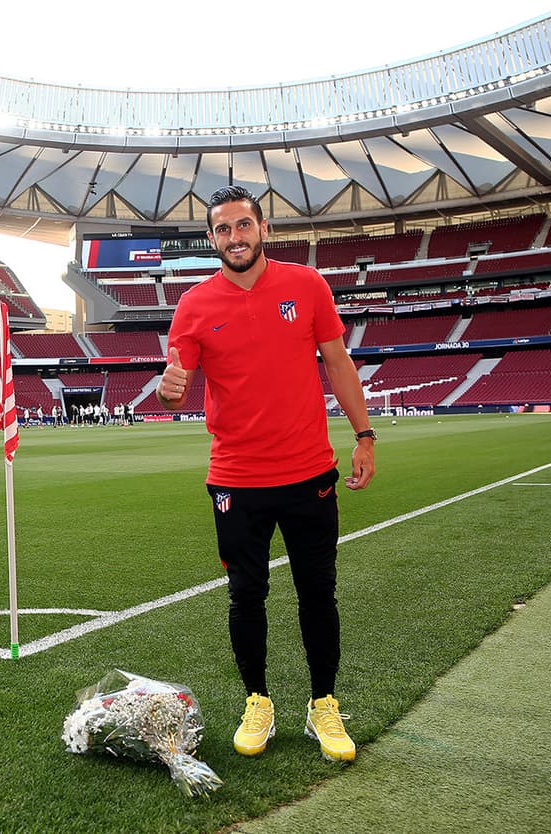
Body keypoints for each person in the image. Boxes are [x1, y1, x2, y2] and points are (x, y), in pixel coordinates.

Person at [157, 185, 375, 763]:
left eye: (243, 225)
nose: (235, 237)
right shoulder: (195, 304)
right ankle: (258, 700)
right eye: (223, 229)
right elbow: (176, 385)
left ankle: (323, 704)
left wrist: (365, 435)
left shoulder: (307, 286)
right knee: (245, 597)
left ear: (264, 228)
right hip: (236, 478)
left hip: (309, 473)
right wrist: (169, 389)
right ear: (211, 240)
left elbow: (338, 363)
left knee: (317, 595)